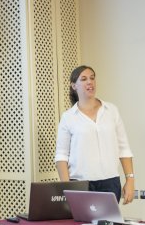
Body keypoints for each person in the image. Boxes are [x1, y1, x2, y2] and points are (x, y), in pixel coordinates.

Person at [54, 65, 135, 204]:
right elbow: (61, 156)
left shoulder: (111, 110)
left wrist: (130, 180)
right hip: (79, 184)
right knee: (80, 220)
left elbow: (124, 149)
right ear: (74, 86)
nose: (89, 82)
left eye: (92, 78)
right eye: (84, 79)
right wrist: (67, 188)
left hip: (110, 183)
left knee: (108, 219)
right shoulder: (68, 117)